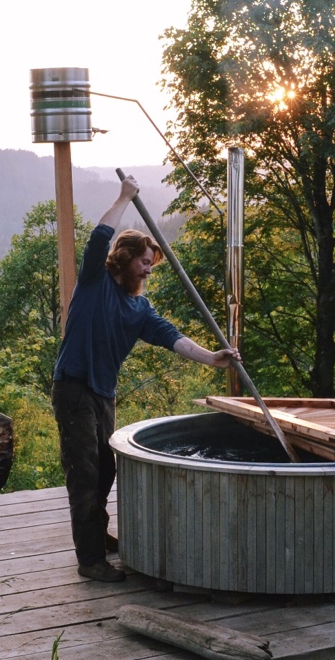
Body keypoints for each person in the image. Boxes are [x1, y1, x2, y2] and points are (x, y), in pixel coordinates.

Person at [51, 174, 239, 582]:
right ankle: (90, 561)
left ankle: (96, 537)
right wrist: (124, 197)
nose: (149, 270)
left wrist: (213, 359)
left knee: (105, 470)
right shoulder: (94, 281)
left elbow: (173, 337)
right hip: (73, 387)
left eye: (152, 264)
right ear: (124, 258)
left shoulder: (140, 309)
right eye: (144, 262)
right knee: (84, 473)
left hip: (104, 393)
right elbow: (99, 236)